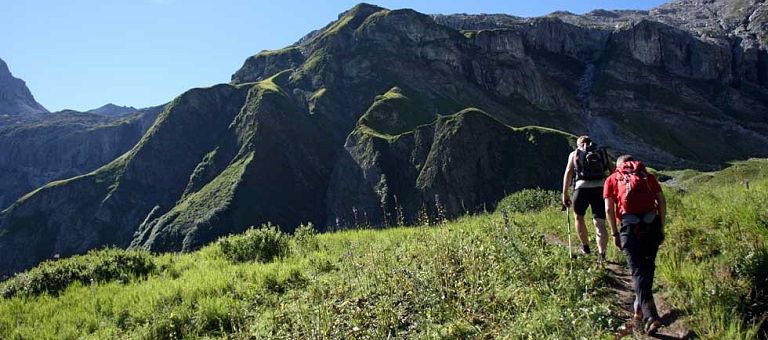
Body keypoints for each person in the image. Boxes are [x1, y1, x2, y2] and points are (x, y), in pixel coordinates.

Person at [604, 155, 666, 334]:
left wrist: (615, 233)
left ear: (618, 166)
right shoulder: (647, 176)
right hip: (652, 224)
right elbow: (661, 201)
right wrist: (661, 226)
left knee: (638, 272)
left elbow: (608, 208)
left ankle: (650, 315)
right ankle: (641, 310)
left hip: (629, 228)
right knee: (648, 268)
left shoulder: (612, 179)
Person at [561, 135, 611, 263]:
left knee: (579, 217)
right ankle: (602, 255)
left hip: (581, 188)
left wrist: (565, 193)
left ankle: (586, 248)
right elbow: (612, 170)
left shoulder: (574, 154)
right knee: (600, 223)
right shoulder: (601, 153)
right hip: (600, 189)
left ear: (578, 144)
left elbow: (569, 172)